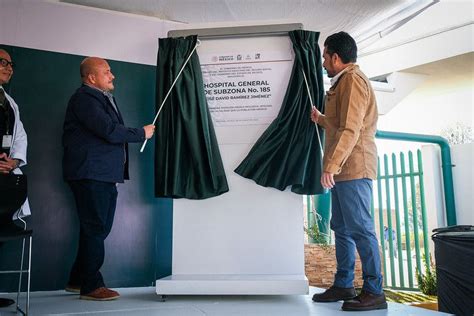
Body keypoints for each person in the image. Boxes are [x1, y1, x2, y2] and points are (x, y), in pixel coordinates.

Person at [62, 57, 155, 301]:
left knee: (93, 228)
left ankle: (77, 279)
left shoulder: (98, 98)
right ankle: (92, 286)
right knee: (96, 228)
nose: (112, 75)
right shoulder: (84, 98)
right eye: (107, 72)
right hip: (91, 174)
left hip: (99, 174)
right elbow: (109, 131)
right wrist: (141, 133)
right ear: (91, 77)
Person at [310, 32, 386, 311]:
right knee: (341, 227)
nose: (323, 63)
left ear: (336, 58)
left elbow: (352, 129)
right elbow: (341, 123)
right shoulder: (344, 82)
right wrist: (321, 119)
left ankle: (375, 291)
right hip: (344, 169)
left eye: (325, 57)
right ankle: (344, 284)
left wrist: (330, 165)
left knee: (361, 229)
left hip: (354, 168)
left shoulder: (353, 80)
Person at [0, 48, 30, 308]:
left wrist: (15, 161)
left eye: (11, 64)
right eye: (2, 62)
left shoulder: (9, 101)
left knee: (0, 232)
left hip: (5, 177)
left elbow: (19, 135)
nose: (9, 68)